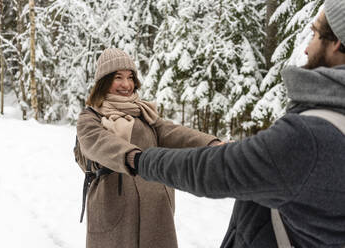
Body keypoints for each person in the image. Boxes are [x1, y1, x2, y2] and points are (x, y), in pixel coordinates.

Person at [125, 0, 345, 247]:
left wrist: (139, 160)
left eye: (314, 33)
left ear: (336, 41)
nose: (306, 48)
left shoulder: (309, 139)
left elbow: (209, 170)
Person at [76, 47, 221, 248]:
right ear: (104, 80)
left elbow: (170, 132)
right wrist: (133, 157)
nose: (126, 84)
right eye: (118, 77)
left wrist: (212, 144)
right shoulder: (90, 116)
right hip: (115, 205)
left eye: (130, 77)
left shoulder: (143, 112)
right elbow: (97, 141)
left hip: (155, 206)